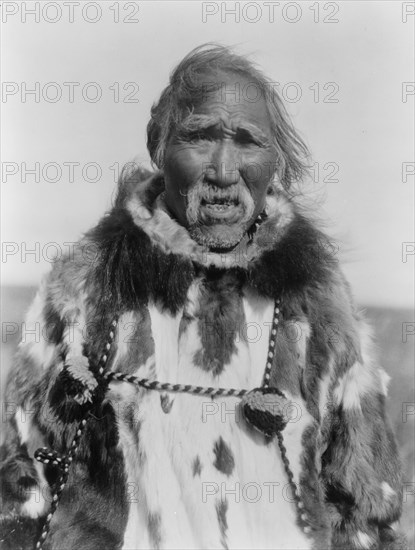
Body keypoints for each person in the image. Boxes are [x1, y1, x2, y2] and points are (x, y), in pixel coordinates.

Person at [0, 44, 407, 550]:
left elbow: (365, 505)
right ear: (159, 147)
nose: (222, 170)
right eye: (198, 137)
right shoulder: (86, 287)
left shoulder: (316, 304)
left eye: (248, 141)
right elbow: (22, 482)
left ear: (275, 161)